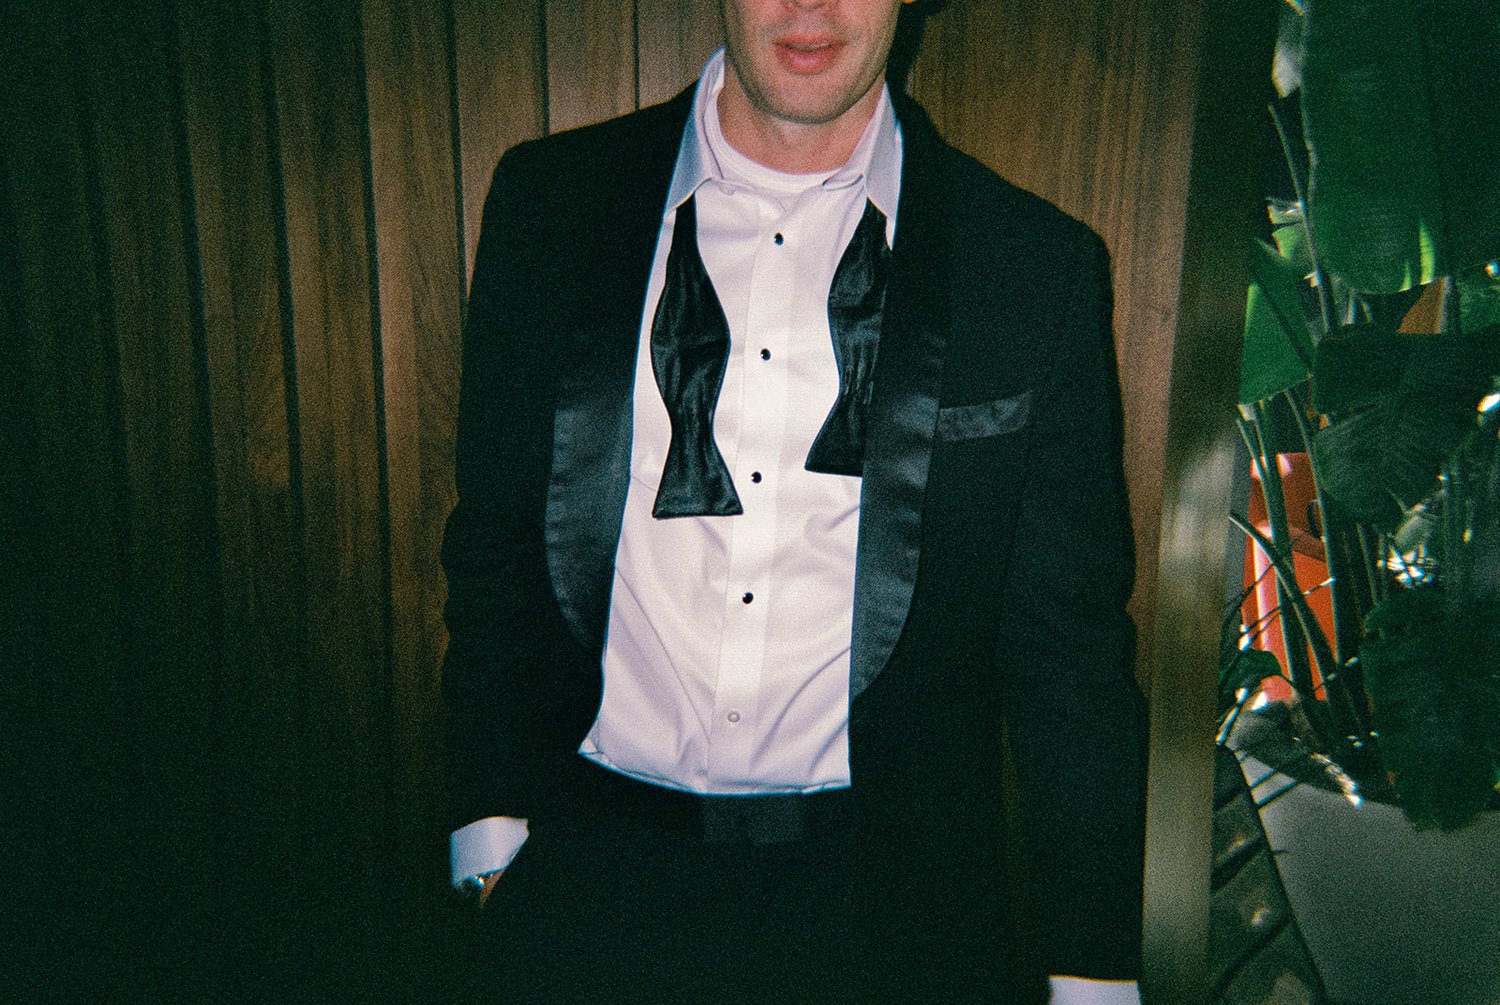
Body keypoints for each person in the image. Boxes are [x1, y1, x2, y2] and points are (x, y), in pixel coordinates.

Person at [440, 1, 1146, 1001]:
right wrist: (489, 837)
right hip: (587, 885)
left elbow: (1070, 655)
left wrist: (1094, 976)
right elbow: (497, 540)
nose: (809, 4)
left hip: (893, 916)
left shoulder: (1033, 264)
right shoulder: (550, 201)